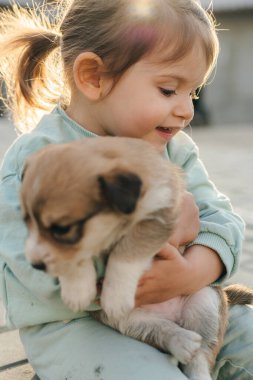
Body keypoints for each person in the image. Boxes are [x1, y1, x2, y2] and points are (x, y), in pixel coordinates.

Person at [0, 1, 252, 379]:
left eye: (193, 94)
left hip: (182, 302)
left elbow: (224, 219)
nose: (186, 110)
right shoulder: (37, 159)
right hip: (74, 326)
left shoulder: (172, 149)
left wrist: (195, 270)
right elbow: (34, 267)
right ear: (93, 77)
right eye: (169, 90)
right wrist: (146, 246)